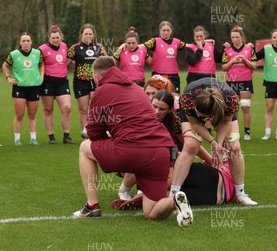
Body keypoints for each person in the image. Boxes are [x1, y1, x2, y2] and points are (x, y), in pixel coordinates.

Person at [74, 56, 193, 227]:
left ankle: (92, 206)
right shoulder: (137, 88)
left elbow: (93, 132)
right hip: (161, 151)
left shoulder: (101, 91)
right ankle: (174, 200)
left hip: (132, 150)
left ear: (97, 76)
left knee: (85, 148)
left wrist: (111, 138)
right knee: (151, 212)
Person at [170, 76, 258, 205]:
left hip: (221, 112)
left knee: (234, 147)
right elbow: (195, 124)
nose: (200, 117)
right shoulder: (188, 98)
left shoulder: (230, 100)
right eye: (198, 113)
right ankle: (174, 194)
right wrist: (213, 142)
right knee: (191, 145)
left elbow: (227, 122)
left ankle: (240, 193)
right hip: (192, 109)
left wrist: (219, 143)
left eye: (203, 116)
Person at [3, 32, 44, 146]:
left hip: (34, 87)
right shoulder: (14, 54)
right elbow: (5, 66)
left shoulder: (37, 53)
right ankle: (17, 139)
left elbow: (41, 64)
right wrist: (8, 78)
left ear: (31, 42)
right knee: (19, 114)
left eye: (28, 40)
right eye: (23, 41)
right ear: (20, 42)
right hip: (19, 88)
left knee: (32, 115)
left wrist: (41, 76)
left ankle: (33, 139)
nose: (26, 43)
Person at [67, 24, 106, 139]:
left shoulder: (99, 47)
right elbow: (66, 64)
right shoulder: (74, 48)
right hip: (80, 82)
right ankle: (86, 134)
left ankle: (92, 131)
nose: (88, 36)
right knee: (83, 110)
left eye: (90, 34)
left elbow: (105, 62)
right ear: (81, 35)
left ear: (94, 35)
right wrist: (79, 67)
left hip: (96, 82)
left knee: (95, 108)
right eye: (86, 34)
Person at [38, 26, 75, 145]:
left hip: (62, 81)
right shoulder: (42, 49)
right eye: (53, 38)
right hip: (47, 82)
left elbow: (67, 61)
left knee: (67, 108)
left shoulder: (64, 46)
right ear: (49, 38)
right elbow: (38, 65)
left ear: (61, 37)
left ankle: (66, 136)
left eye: (57, 37)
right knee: (48, 109)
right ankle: (51, 137)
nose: (55, 40)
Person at [222, 26, 257, 140]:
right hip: (232, 82)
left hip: (246, 81)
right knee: (233, 108)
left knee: (245, 107)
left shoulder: (249, 49)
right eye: (233, 37)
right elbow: (224, 68)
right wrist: (233, 61)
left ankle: (247, 133)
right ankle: (234, 132)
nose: (235, 39)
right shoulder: (227, 50)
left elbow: (254, 66)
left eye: (237, 37)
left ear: (241, 36)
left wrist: (245, 60)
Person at [143, 21, 186, 97]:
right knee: (157, 99)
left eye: (168, 30)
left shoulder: (177, 42)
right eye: (164, 30)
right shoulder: (154, 41)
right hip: (158, 77)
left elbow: (190, 46)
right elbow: (140, 48)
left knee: (175, 100)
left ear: (171, 31)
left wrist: (203, 42)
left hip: (173, 78)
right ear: (160, 30)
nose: (166, 32)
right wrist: (125, 45)